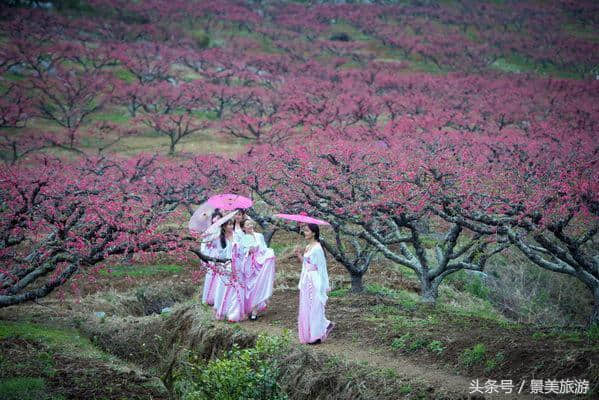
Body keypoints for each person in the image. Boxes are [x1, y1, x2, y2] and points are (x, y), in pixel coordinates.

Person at [294, 223, 334, 344]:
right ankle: (319, 328)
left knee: (315, 306)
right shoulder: (307, 247)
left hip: (315, 280)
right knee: (307, 306)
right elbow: (306, 264)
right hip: (307, 279)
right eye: (304, 231)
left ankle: (317, 335)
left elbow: (321, 267)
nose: (304, 233)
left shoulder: (317, 248)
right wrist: (299, 255)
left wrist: (324, 285)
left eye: (307, 231)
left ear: (314, 233)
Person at [240, 218, 276, 320]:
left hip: (260, 261)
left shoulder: (259, 236)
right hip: (250, 265)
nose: (250, 226)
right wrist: (249, 251)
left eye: (251, 224)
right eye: (247, 225)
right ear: (243, 228)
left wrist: (266, 254)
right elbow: (243, 252)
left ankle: (255, 311)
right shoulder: (244, 238)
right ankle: (250, 308)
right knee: (250, 287)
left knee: (258, 286)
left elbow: (264, 248)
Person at [213, 217, 247, 322]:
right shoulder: (220, 238)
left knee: (236, 289)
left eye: (232, 224)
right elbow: (219, 253)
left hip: (237, 265)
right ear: (224, 226)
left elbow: (243, 249)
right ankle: (222, 310)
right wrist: (223, 264)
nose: (231, 227)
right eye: (229, 225)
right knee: (224, 288)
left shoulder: (237, 235)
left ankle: (234, 314)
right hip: (226, 266)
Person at [200, 209, 223, 306]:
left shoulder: (222, 230)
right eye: (215, 217)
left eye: (219, 218)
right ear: (212, 219)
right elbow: (204, 243)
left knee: (218, 277)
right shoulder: (209, 230)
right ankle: (206, 299)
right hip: (210, 254)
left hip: (219, 254)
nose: (217, 219)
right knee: (209, 276)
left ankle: (215, 298)